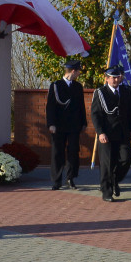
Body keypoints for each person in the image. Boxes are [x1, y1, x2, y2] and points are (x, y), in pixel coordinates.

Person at [90, 65, 131, 202]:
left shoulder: (127, 91)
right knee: (107, 164)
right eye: (113, 77)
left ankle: (115, 179)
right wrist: (100, 132)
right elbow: (96, 115)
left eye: (118, 77)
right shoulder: (100, 92)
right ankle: (106, 191)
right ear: (106, 79)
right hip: (107, 134)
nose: (116, 80)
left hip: (123, 133)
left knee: (126, 158)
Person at [46, 59, 87, 190]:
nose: (79, 74)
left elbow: (81, 106)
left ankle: (71, 178)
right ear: (73, 71)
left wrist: (84, 122)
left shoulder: (78, 87)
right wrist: (51, 124)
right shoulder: (55, 85)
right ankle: (57, 180)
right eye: (78, 71)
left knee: (73, 151)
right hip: (59, 125)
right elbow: (50, 107)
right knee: (57, 152)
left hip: (74, 125)